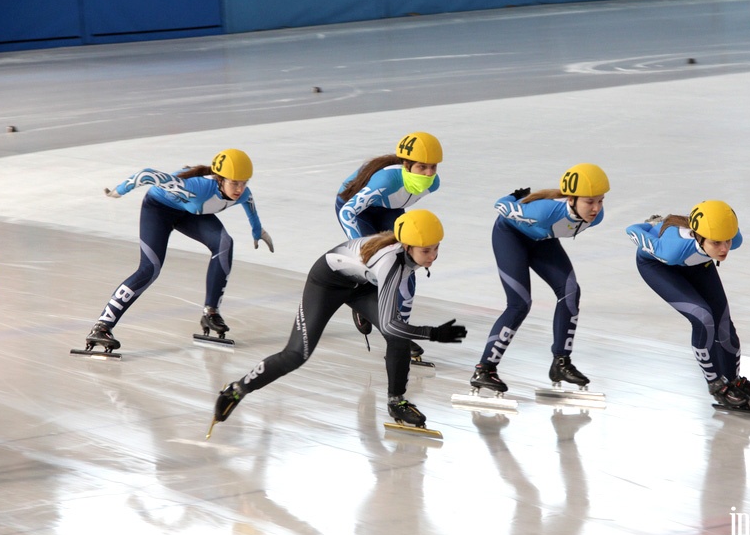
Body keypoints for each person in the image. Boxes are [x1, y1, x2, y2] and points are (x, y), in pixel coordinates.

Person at [209, 209, 466, 436]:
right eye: (426, 250)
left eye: (436, 248)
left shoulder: (406, 254)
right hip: (326, 283)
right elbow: (389, 324)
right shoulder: (391, 262)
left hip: (361, 284)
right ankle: (236, 390)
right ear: (407, 246)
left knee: (397, 337)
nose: (433, 256)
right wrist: (432, 333)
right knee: (297, 353)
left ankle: (396, 401)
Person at [80, 149, 273, 352]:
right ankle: (102, 326)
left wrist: (257, 230)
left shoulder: (242, 194)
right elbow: (146, 175)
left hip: (189, 212)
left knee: (224, 244)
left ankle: (211, 313)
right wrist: (118, 191)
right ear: (219, 179)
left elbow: (249, 203)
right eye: (234, 183)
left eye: (244, 183)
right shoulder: (196, 187)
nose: (239, 189)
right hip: (159, 210)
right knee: (150, 269)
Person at [469, 164, 609, 395]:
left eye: (600, 201)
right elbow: (500, 206)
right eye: (589, 202)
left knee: (570, 292)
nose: (595, 209)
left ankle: (561, 363)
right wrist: (513, 196)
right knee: (519, 304)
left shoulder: (597, 216)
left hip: (542, 240)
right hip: (511, 237)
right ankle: (484, 369)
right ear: (571, 199)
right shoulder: (544, 211)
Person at [625, 201, 750, 409]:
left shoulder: (732, 238)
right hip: (660, 266)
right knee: (703, 317)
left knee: (723, 323)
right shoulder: (672, 249)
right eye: (717, 243)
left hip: (697, 262)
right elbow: (631, 230)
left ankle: (733, 380)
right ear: (699, 237)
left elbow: (720, 237)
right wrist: (651, 227)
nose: (724, 248)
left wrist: (718, 242)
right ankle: (716, 385)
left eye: (727, 241)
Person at [335, 132, 443, 361]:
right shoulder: (386, 181)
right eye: (422, 167)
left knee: (406, 269)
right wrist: (360, 250)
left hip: (388, 209)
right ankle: (361, 295)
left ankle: (399, 335)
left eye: (433, 167)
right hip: (356, 209)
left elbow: (396, 204)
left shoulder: (434, 184)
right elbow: (348, 212)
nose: (429, 174)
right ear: (406, 164)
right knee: (374, 263)